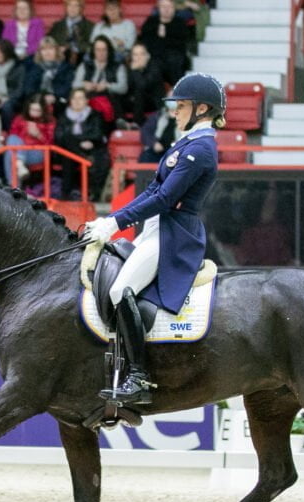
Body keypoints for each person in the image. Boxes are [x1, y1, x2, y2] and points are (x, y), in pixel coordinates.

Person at [79, 72, 225, 404]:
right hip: (157, 227)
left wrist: (114, 224)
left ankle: (139, 378)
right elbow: (152, 190)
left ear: (202, 109)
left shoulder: (200, 149)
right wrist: (110, 219)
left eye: (182, 106)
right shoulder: (186, 144)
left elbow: (163, 199)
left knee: (120, 290)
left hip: (175, 233)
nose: (175, 112)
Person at [56, 87, 110, 200]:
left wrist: (87, 141)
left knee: (99, 157)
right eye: (74, 98)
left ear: (86, 100)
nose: (77, 101)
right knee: (68, 150)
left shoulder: (95, 115)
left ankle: (91, 193)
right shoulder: (63, 116)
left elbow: (98, 134)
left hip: (91, 148)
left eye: (80, 98)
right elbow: (59, 137)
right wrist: (80, 142)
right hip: (68, 151)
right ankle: (67, 195)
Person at [73, 35, 127, 127]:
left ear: (109, 51)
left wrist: (107, 86)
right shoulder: (84, 66)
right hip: (89, 99)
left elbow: (123, 87)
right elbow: (74, 84)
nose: (101, 53)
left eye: (104, 50)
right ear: (93, 51)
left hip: (110, 101)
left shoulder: (118, 66)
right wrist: (84, 85)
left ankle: (118, 123)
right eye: (98, 50)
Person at [2, 93, 54, 184]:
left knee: (11, 155)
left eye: (38, 111)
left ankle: (13, 187)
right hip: (20, 150)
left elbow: (51, 144)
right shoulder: (19, 118)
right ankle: (19, 165)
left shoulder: (50, 121)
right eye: (32, 109)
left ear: (43, 110)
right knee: (12, 141)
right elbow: (12, 137)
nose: (34, 113)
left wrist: (38, 135)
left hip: (38, 152)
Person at [139, 0, 192, 85]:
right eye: (163, 6)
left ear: (174, 8)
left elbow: (181, 44)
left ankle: (177, 92)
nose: (166, 9)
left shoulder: (180, 23)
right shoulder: (151, 22)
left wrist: (164, 37)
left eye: (169, 7)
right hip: (154, 57)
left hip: (174, 59)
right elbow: (145, 41)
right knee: (152, 65)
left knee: (175, 60)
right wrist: (160, 38)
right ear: (158, 8)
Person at [24, 37, 75, 111]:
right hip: (37, 101)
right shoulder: (35, 67)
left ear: (56, 50)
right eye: (44, 49)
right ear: (40, 52)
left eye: (51, 49)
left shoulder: (66, 67)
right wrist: (41, 98)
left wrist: (54, 97)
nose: (47, 52)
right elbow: (29, 88)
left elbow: (68, 87)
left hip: (59, 101)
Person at [0, 39, 26, 127]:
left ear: (6, 53)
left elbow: (20, 90)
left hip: (11, 99)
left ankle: (8, 130)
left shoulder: (18, 68)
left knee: (7, 106)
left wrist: (6, 99)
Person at [124, 42, 164, 126]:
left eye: (142, 54)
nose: (138, 58)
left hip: (152, 103)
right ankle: (121, 122)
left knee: (139, 93)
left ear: (147, 56)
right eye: (135, 55)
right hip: (134, 102)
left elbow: (143, 86)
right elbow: (126, 88)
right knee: (115, 93)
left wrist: (135, 71)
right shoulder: (129, 67)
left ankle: (137, 124)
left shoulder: (154, 68)